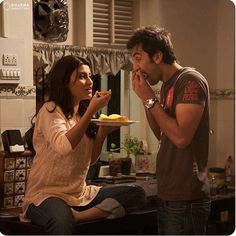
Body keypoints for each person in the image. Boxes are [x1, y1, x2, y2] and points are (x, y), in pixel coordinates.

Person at [20, 55, 146, 235]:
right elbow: (63, 146)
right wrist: (92, 111)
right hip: (46, 195)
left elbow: (91, 159)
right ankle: (82, 215)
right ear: (65, 82)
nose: (89, 82)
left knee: (137, 194)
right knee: (61, 222)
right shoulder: (51, 110)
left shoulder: (83, 114)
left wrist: (102, 132)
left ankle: (82, 216)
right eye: (81, 76)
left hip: (81, 194)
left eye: (89, 76)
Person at [126, 25, 211, 235]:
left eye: (138, 58)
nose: (135, 67)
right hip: (169, 195)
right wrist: (146, 99)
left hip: (186, 198)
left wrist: (148, 97)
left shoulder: (190, 81)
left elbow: (181, 138)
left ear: (157, 56)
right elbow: (163, 134)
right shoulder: (167, 85)